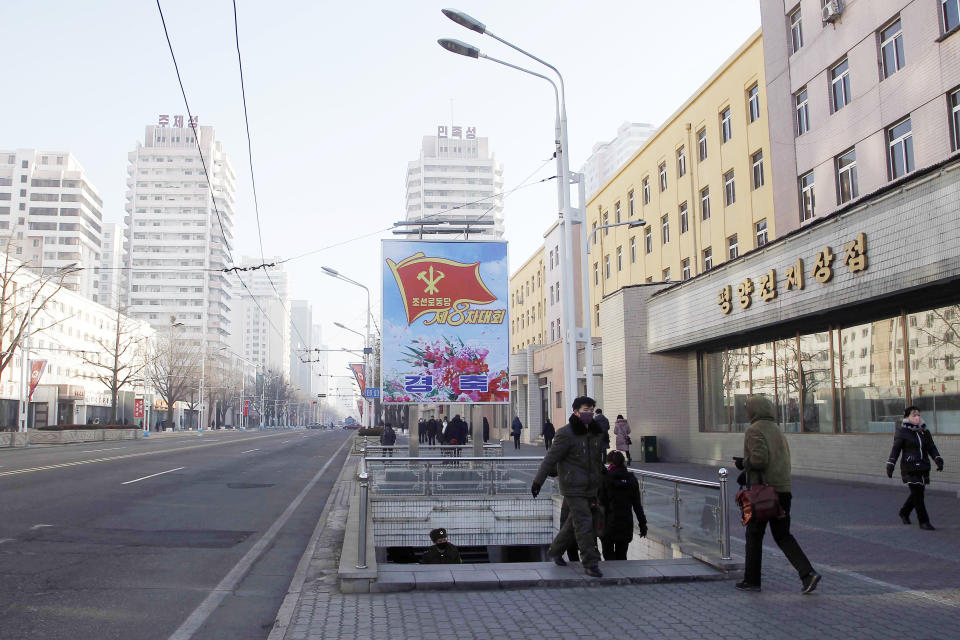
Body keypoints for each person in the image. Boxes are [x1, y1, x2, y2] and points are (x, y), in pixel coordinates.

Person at [735, 395, 821, 594]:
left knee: (754, 534)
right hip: (783, 490)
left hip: (764, 492)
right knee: (783, 535)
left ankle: (752, 580)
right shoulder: (777, 430)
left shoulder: (754, 429)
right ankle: (807, 574)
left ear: (753, 411)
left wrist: (743, 463)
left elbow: (759, 460)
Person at [532, 396, 606, 578]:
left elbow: (597, 461)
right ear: (575, 412)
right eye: (585, 410)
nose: (588, 414)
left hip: (591, 487)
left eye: (591, 410)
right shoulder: (566, 433)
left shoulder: (596, 432)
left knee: (574, 523)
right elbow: (551, 458)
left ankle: (555, 551)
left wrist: (602, 479)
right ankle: (590, 563)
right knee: (584, 523)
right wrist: (537, 482)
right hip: (572, 486)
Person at [887, 406, 945, 530]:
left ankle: (904, 512)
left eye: (919, 415)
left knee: (918, 494)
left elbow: (931, 447)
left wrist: (938, 459)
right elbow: (896, 449)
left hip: (923, 467)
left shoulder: (924, 431)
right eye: (914, 415)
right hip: (910, 467)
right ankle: (924, 522)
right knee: (918, 495)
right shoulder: (902, 432)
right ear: (907, 417)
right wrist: (890, 464)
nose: (917, 417)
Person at [599, 450, 647, 560]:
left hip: (608, 524)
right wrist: (642, 525)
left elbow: (600, 502)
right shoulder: (632, 479)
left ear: (610, 463)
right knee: (622, 556)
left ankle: (612, 577)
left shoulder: (606, 479)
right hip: (626, 523)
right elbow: (637, 505)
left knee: (608, 555)